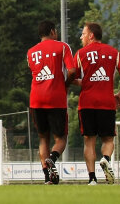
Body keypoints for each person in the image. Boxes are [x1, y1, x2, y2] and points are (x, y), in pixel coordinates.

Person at [75, 22, 120, 184]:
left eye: (83, 34)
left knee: (89, 141)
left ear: (91, 35)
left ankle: (92, 179)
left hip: (87, 103)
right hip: (107, 102)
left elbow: (72, 75)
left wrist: (81, 82)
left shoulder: (81, 53)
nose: (81, 37)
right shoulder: (113, 52)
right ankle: (106, 158)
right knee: (108, 139)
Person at [26, 20, 77, 184]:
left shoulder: (30, 52)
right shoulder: (62, 47)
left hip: (36, 99)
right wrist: (66, 83)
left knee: (43, 139)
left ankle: (48, 177)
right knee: (60, 138)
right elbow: (72, 70)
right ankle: (53, 159)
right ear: (53, 32)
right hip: (56, 98)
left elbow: (34, 72)